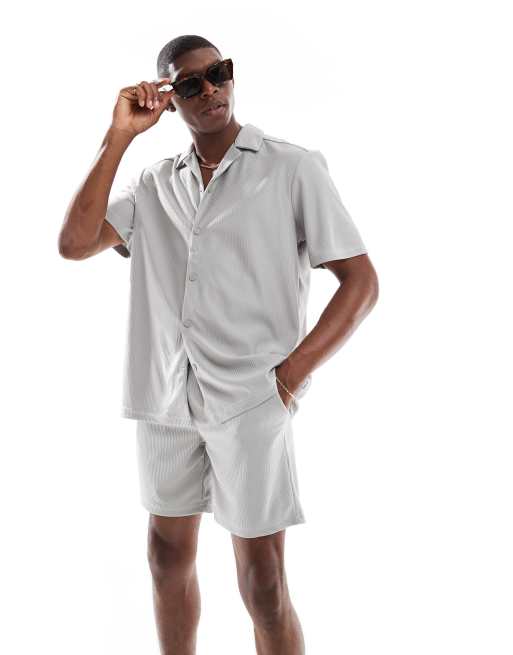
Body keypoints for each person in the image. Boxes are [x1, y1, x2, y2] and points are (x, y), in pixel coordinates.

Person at [58, 33, 379, 655]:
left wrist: (290, 376)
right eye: (190, 83)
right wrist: (119, 136)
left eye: (219, 73)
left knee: (264, 584)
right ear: (169, 97)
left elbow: (361, 282)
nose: (210, 90)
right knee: (164, 558)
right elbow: (73, 243)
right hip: (164, 395)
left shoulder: (291, 167)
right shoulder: (155, 183)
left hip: (251, 399)